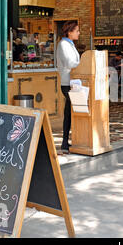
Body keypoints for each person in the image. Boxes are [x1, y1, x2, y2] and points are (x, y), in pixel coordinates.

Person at [56, 21, 80, 153]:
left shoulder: (70, 44)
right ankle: (66, 141)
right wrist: (81, 63)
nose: (78, 33)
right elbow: (70, 62)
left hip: (72, 82)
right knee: (70, 112)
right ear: (69, 32)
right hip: (67, 84)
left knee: (69, 112)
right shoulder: (63, 44)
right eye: (76, 30)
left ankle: (66, 142)